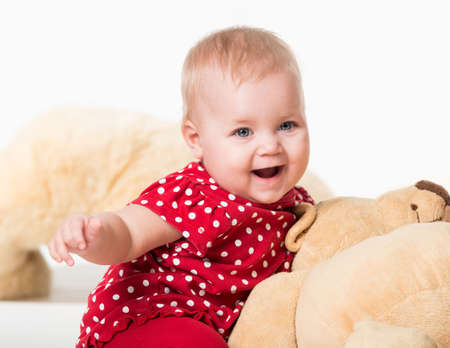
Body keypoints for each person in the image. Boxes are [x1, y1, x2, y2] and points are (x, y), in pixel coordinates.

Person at [48, 26, 314, 348]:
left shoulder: (296, 204)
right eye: (243, 132)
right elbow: (129, 233)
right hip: (155, 314)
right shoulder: (195, 194)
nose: (271, 145)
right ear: (196, 140)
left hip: (222, 326)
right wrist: (96, 234)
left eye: (287, 125)